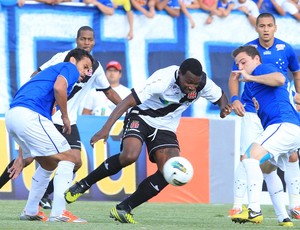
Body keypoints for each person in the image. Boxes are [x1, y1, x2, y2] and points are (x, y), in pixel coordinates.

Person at [64, 58, 232, 224]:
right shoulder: (162, 80)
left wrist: (224, 107)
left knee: (169, 170)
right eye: (188, 82)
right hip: (142, 116)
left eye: (195, 84)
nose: (191, 87)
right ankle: (84, 184)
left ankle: (124, 208)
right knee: (129, 156)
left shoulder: (202, 83)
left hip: (166, 126)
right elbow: (127, 102)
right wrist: (105, 128)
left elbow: (221, 97)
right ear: (179, 73)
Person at [0, 26, 122, 210]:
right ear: (77, 40)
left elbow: (109, 92)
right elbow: (38, 75)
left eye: (90, 39)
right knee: (29, 159)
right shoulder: (65, 59)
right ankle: (56, 210)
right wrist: (44, 95)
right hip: (48, 117)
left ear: (94, 41)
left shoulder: (94, 67)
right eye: (83, 39)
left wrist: (127, 107)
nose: (86, 43)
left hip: (68, 121)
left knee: (75, 162)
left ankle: (43, 198)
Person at [5, 48, 94, 222]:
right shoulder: (69, 68)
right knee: (70, 158)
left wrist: (22, 153)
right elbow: (59, 87)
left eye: (89, 70)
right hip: (30, 115)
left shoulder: (46, 75)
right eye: (85, 66)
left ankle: (30, 211)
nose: (87, 72)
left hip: (13, 116)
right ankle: (59, 212)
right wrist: (66, 117)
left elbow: (29, 109)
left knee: (48, 164)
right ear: (74, 61)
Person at [228, 13, 300, 224]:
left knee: (249, 157)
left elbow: (279, 78)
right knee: (265, 168)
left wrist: (250, 76)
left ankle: (253, 210)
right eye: (237, 64)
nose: (240, 67)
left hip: (285, 127)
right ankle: (284, 217)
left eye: (243, 62)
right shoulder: (251, 85)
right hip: (286, 130)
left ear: (256, 59)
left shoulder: (263, 68)